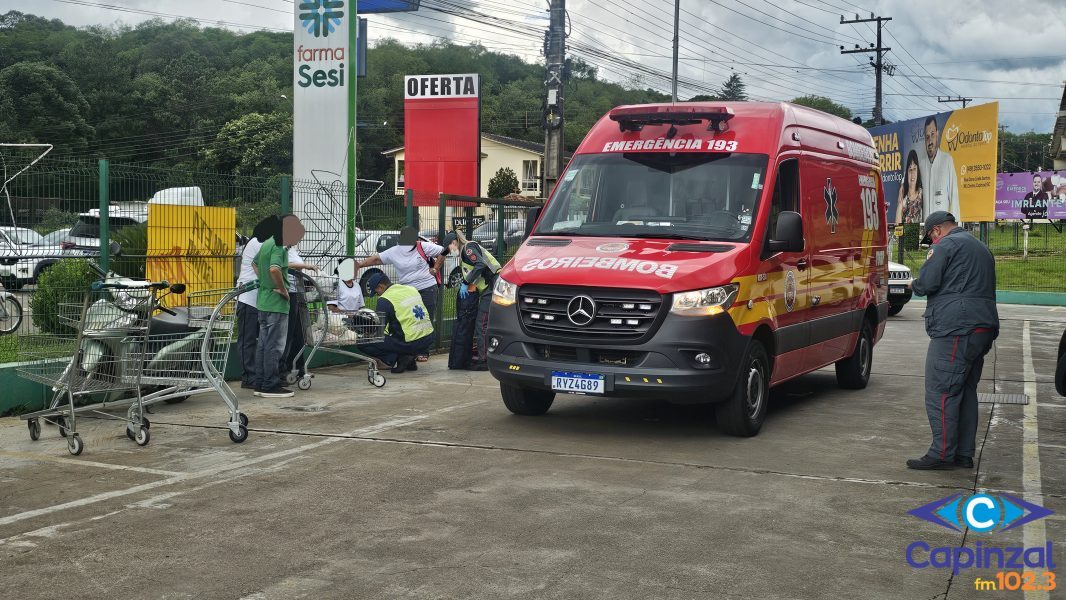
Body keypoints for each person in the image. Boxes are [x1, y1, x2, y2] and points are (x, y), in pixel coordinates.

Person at [907, 211, 999, 470]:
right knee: (965, 390)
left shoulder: (946, 245)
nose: (932, 243)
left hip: (956, 328)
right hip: (983, 327)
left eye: (930, 238)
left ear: (936, 231)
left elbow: (927, 283)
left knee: (941, 391)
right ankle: (963, 454)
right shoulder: (981, 247)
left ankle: (942, 453)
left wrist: (913, 284)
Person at [354, 226, 444, 362]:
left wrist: (435, 268)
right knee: (404, 318)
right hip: (407, 291)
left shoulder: (423, 246)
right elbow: (377, 259)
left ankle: (422, 351)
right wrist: (359, 265)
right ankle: (406, 349)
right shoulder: (395, 251)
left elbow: (444, 251)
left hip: (427, 287)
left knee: (425, 317)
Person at [252, 214, 305, 398]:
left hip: (263, 301)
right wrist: (282, 289)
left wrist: (265, 282)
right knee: (274, 346)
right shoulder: (279, 246)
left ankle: (260, 382)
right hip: (276, 304)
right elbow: (274, 268)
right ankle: (270, 384)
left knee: (264, 344)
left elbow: (255, 262)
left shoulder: (267, 242)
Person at [443, 229, 501, 371]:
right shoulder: (465, 255)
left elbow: (480, 265)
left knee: (481, 324)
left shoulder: (468, 248)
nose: (449, 252)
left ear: (454, 242)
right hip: (491, 286)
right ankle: (484, 356)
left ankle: (484, 361)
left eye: (449, 248)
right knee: (483, 323)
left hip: (494, 284)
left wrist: (465, 282)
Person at [357, 273, 433, 374]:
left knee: (363, 342)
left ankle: (393, 359)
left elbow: (378, 330)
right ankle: (407, 356)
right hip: (428, 338)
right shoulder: (411, 289)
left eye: (376, 292)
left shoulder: (384, 299)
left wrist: (364, 331)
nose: (378, 295)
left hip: (411, 342)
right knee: (397, 330)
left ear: (381, 286)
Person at [235, 216, 277, 390]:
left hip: (258, 299)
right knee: (248, 339)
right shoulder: (258, 243)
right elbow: (262, 267)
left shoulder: (262, 243)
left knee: (258, 339)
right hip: (248, 297)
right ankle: (249, 376)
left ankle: (256, 374)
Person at [278, 245, 319, 384]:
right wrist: (305, 266)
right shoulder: (281, 248)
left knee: (298, 334)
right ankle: (281, 370)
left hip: (297, 292)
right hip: (288, 292)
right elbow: (281, 265)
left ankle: (298, 366)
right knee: (288, 333)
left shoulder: (292, 249)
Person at [918, 117, 959, 219]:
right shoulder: (920, 165)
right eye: (927, 137)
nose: (930, 140)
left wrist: (954, 228)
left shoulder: (947, 160)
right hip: (925, 226)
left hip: (942, 226)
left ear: (937, 134)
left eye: (932, 134)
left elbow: (954, 197)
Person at [895, 150, 924, 224]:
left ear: (918, 171)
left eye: (915, 169)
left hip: (921, 235)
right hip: (906, 235)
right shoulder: (903, 198)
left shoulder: (922, 194)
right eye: (910, 170)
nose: (913, 173)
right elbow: (897, 228)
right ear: (906, 173)